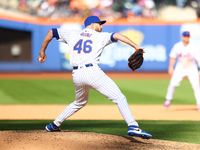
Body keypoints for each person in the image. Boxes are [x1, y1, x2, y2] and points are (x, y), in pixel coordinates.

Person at [38, 16, 152, 139]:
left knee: (79, 102)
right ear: (92, 24)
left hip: (77, 75)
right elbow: (118, 35)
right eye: (100, 24)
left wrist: (42, 51)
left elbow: (51, 32)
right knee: (119, 98)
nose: (101, 26)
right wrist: (136, 47)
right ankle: (133, 126)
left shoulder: (72, 34)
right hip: (92, 72)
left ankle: (54, 124)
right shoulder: (100, 36)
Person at [164, 31, 200, 111]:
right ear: (182, 37)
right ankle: (168, 100)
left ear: (189, 37)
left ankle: (199, 104)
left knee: (196, 85)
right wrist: (170, 67)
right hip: (180, 68)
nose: (186, 37)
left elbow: (198, 59)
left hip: (192, 68)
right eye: (185, 36)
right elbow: (172, 57)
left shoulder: (193, 47)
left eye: (187, 36)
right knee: (173, 84)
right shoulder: (177, 46)